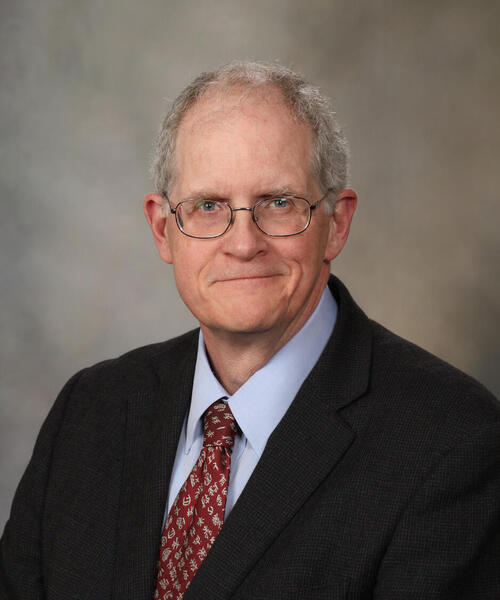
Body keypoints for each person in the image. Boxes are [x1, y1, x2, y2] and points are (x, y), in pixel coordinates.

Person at [1, 60, 499, 600]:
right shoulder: (90, 410)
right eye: (208, 206)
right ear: (163, 229)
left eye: (279, 203)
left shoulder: (450, 442)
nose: (242, 244)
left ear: (337, 223)